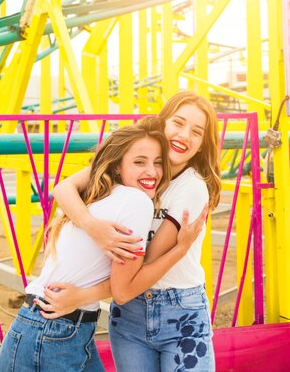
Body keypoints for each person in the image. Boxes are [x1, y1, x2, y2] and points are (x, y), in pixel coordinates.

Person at [0, 116, 207, 372]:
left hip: (49, 326)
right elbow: (124, 290)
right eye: (140, 162)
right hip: (53, 331)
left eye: (158, 163)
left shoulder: (97, 194)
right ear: (117, 167)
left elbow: (62, 188)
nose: (152, 172)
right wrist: (181, 249)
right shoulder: (136, 202)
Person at [47, 91, 221, 372]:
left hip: (179, 312)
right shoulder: (137, 162)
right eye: (178, 123)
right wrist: (94, 228)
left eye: (197, 132)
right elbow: (63, 189)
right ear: (163, 123)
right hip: (129, 316)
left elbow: (144, 265)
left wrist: (82, 296)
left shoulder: (192, 187)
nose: (184, 135)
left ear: (202, 145)